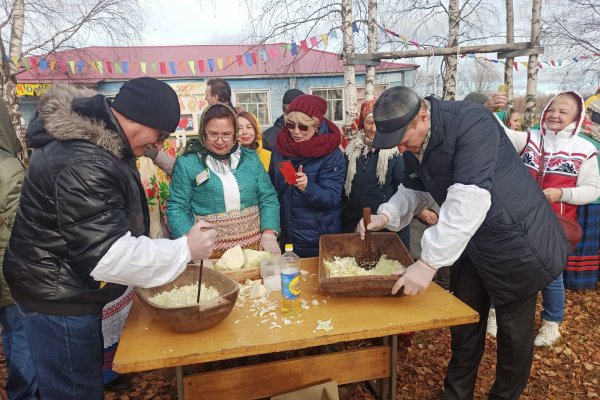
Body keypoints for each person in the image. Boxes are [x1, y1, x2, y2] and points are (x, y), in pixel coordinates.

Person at [3, 77, 218, 399]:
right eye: (159, 135)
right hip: (58, 298)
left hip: (61, 285)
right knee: (75, 391)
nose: (158, 145)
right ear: (135, 119)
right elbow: (108, 253)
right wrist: (185, 249)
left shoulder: (97, 146)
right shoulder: (84, 160)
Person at [360, 86, 567, 400]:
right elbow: (415, 190)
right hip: (472, 242)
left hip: (517, 241)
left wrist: (428, 263)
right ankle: (456, 394)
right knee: (465, 322)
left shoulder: (472, 123)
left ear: (423, 117)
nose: (401, 150)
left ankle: (504, 396)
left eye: (403, 140)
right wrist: (386, 216)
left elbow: (469, 199)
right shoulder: (418, 142)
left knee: (513, 335)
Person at [491, 92, 600, 346]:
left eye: (563, 112)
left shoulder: (584, 149)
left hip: (554, 226)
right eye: (552, 109)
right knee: (508, 268)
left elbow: (593, 190)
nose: (555, 115)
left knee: (551, 276)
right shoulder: (530, 138)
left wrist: (560, 193)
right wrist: (489, 110)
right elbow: (498, 134)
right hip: (520, 221)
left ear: (576, 117)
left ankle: (552, 324)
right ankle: (497, 314)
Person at [167, 103, 281, 257]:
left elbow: (268, 198)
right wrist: (190, 244)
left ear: (235, 133)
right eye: (213, 134)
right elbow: (177, 207)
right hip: (208, 253)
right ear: (202, 132)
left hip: (254, 250)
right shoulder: (188, 163)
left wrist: (269, 233)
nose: (220, 141)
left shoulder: (250, 159)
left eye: (226, 134)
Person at [270, 94, 346, 257]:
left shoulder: (331, 153)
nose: (296, 132)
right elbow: (272, 188)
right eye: (290, 125)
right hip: (287, 235)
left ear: (317, 126)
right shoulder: (280, 147)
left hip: (317, 238)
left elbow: (332, 198)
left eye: (303, 127)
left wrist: (307, 187)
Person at [0, 98, 38, 399]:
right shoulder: (8, 166)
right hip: (11, 270)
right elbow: (23, 223)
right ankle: (24, 393)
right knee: (21, 334)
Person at [341, 99, 412, 249]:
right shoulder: (352, 149)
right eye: (369, 122)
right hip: (354, 220)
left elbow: (405, 189)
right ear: (362, 122)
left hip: (386, 223)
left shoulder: (396, 151)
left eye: (379, 124)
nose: (373, 128)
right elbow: (344, 184)